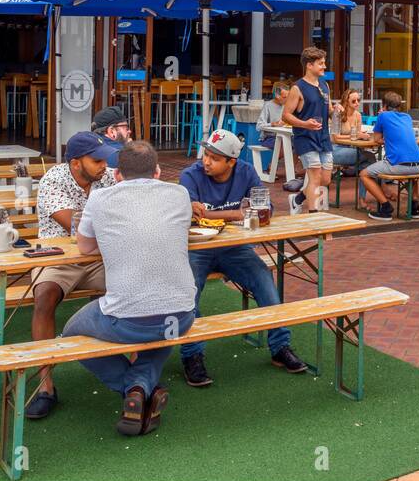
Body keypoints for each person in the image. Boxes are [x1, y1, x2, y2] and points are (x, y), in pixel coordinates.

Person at [64, 141, 197, 436]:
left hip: (125, 319)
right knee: (164, 327)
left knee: (70, 333)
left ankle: (132, 387)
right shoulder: (180, 194)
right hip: (183, 314)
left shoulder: (100, 199)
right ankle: (140, 386)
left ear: (118, 174)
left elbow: (85, 247)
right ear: (158, 171)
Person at [177, 128, 307, 384]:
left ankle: (280, 347)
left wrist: (215, 214)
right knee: (187, 291)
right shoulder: (190, 175)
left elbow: (264, 208)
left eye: (214, 157)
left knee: (264, 279)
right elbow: (190, 215)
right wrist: (237, 214)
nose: (206, 160)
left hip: (234, 247)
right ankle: (192, 354)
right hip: (196, 248)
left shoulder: (245, 171)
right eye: (206, 154)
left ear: (231, 161)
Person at [24, 131, 119, 419]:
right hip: (57, 256)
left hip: (98, 256)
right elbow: (77, 229)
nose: (104, 165)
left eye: (104, 159)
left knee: (132, 284)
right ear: (76, 163)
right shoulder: (53, 179)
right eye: (97, 160)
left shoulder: (106, 176)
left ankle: (137, 375)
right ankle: (45, 386)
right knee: (44, 296)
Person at [282, 47, 334, 214]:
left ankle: (297, 199)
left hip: (324, 137)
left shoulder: (325, 85)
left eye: (324, 63)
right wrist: (305, 124)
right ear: (309, 65)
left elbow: (329, 110)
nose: (324, 66)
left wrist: (337, 109)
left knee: (325, 180)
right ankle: (314, 216)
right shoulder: (298, 88)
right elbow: (286, 115)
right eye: (321, 63)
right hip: (305, 138)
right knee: (315, 177)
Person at [359, 91, 419, 221]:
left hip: (398, 164)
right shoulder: (407, 117)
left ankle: (385, 207)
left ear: (383, 105)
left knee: (364, 174)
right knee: (412, 176)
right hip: (418, 164)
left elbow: (377, 139)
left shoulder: (383, 117)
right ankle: (414, 208)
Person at [332, 88, 365, 174]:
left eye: (358, 100)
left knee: (368, 158)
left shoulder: (358, 115)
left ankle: (357, 179)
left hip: (351, 148)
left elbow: (357, 135)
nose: (357, 103)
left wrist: (363, 137)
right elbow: (335, 138)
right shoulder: (338, 113)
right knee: (369, 158)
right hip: (335, 149)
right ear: (346, 102)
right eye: (353, 101)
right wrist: (355, 136)